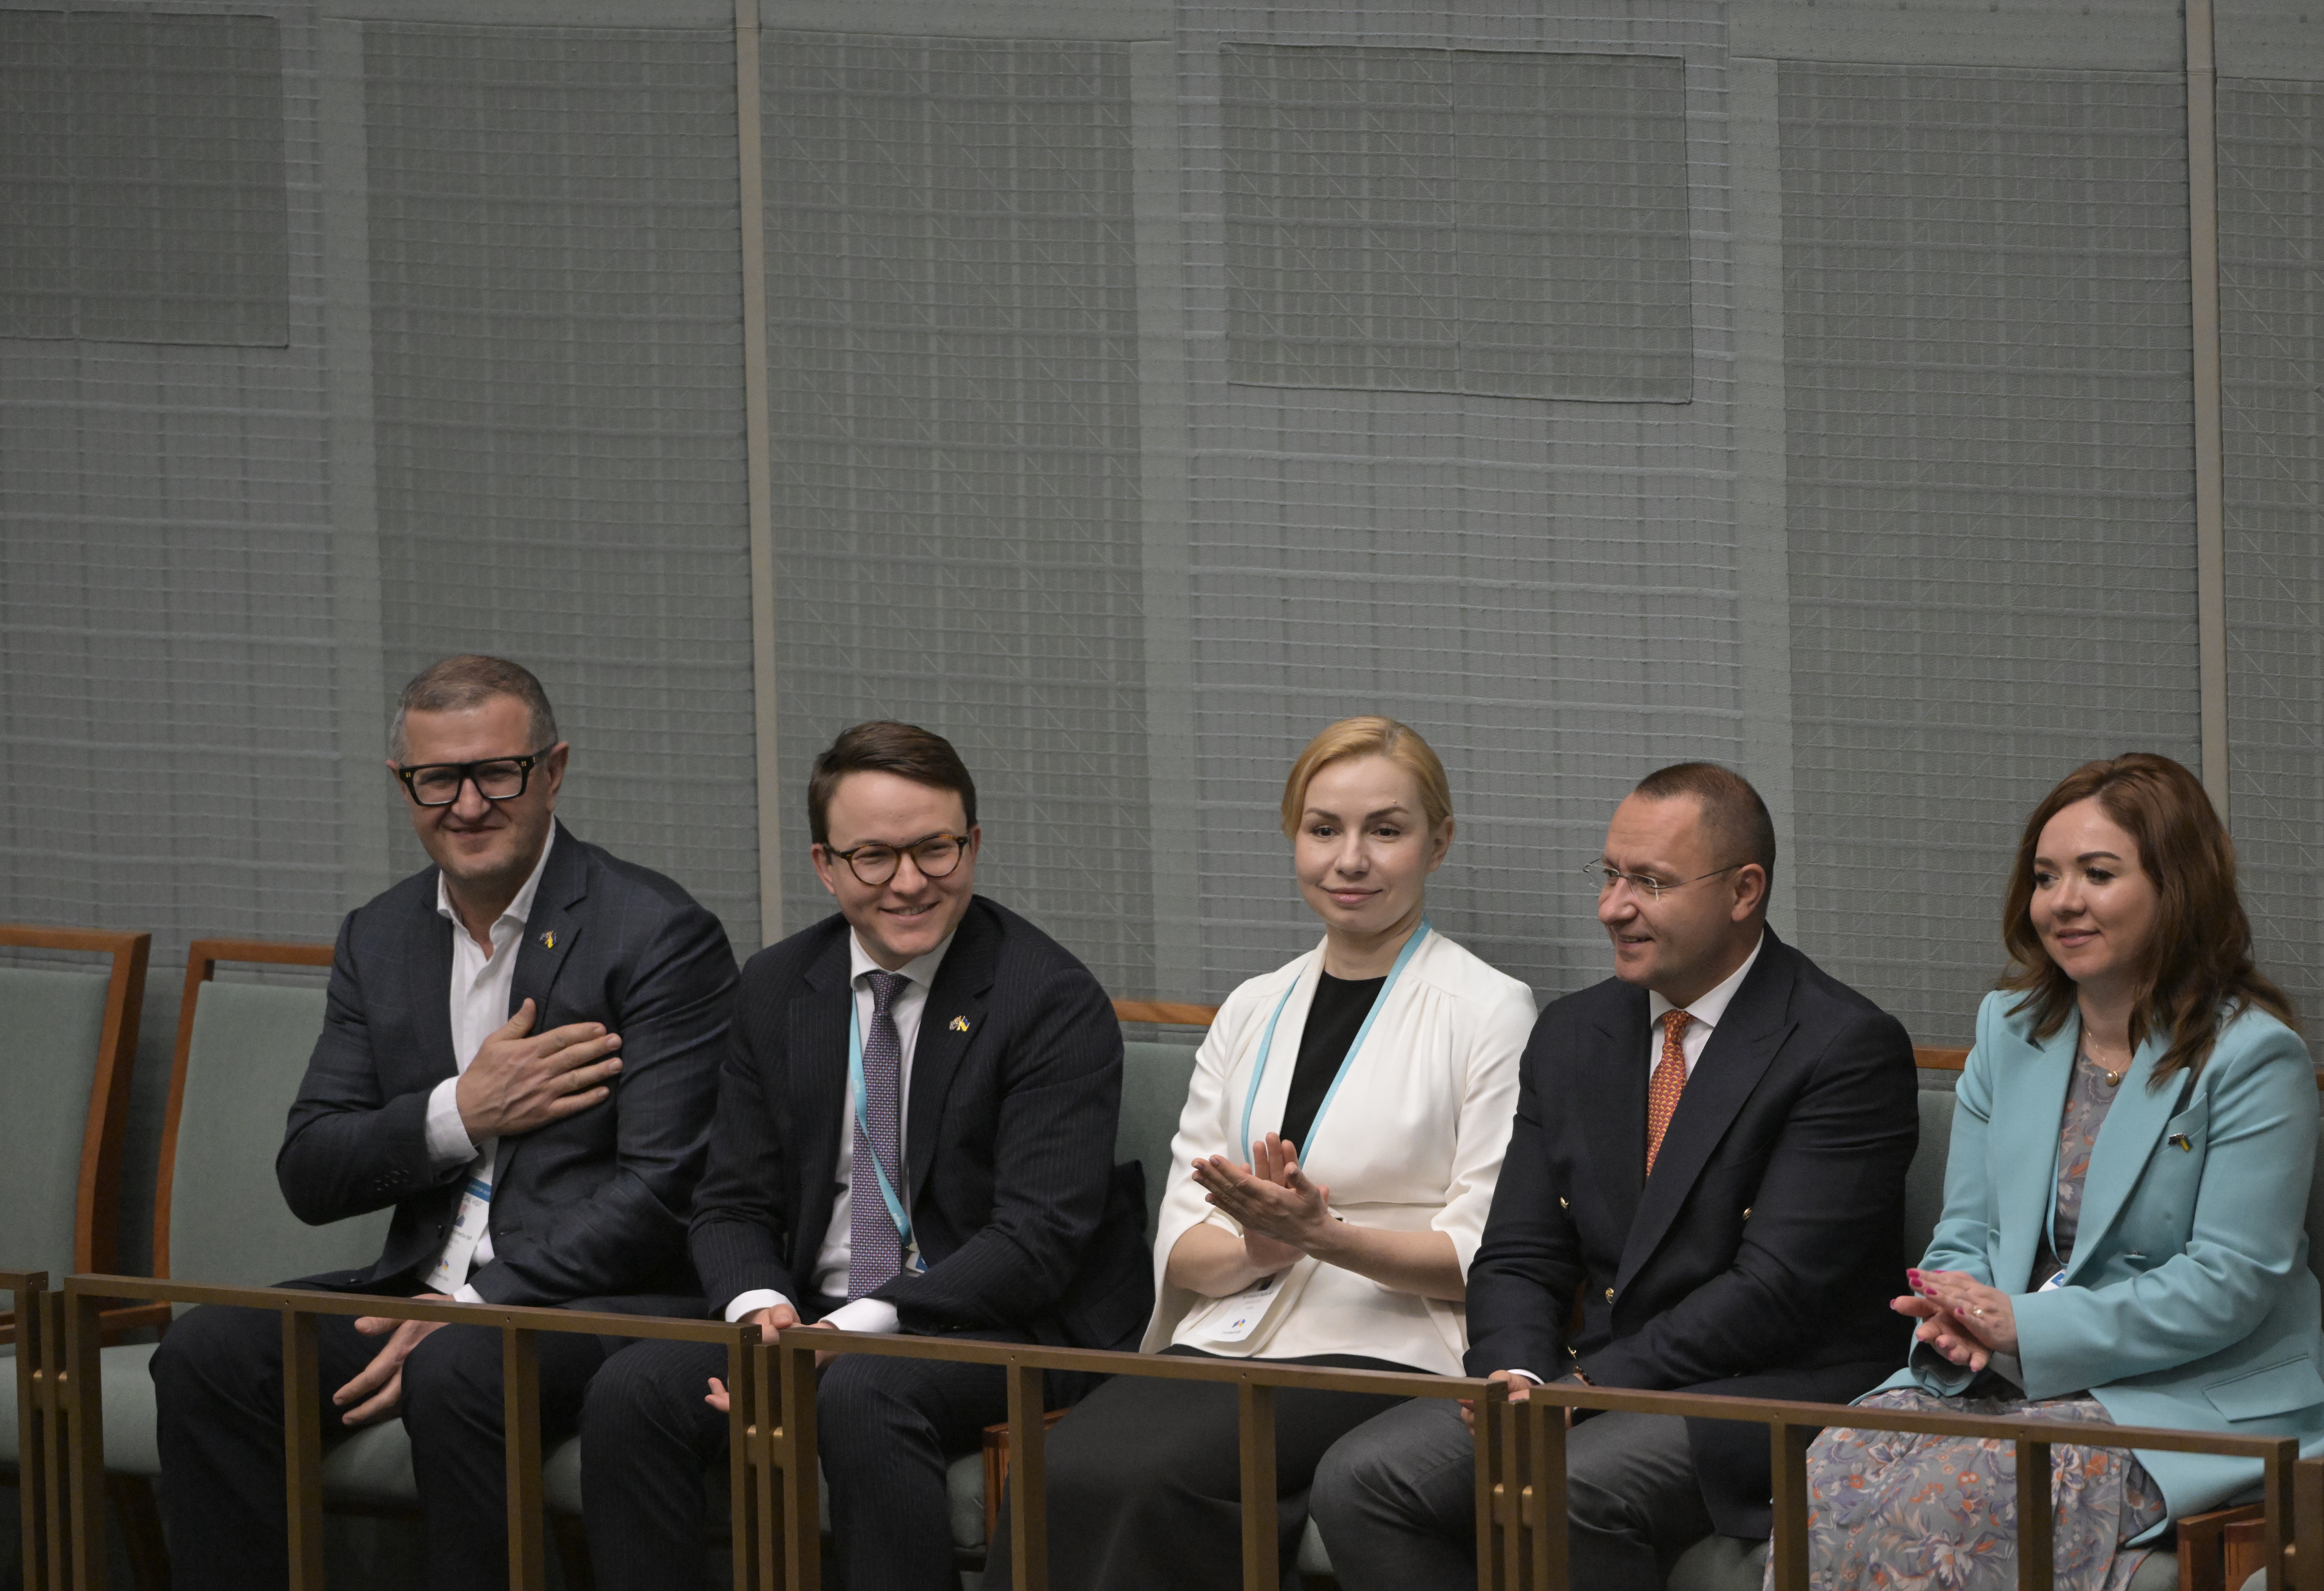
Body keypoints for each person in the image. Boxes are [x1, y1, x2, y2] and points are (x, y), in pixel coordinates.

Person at [149, 655, 740, 1591]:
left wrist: (476, 1303)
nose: (468, 805)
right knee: (207, 1356)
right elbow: (312, 1169)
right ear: (404, 787)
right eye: (439, 779)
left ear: (553, 771)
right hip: (422, 1286)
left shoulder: (656, 932)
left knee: (461, 1367)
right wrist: (455, 1114)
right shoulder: (378, 936)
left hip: (605, 1304)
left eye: (497, 772)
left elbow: (666, 1189)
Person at [1314, 761, 1920, 1590]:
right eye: (1609, 875)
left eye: (1650, 883)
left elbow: (1776, 1290)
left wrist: (1591, 1388)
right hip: (1584, 1377)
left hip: (1766, 1391)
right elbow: (1520, 1251)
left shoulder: (1841, 1046)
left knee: (1572, 1485)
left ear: (1745, 892)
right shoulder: (1572, 1034)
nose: (1613, 907)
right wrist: (1517, 1375)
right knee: (1364, 1480)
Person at [578, 720, 1153, 1591]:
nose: (911, 882)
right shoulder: (778, 987)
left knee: (864, 1391)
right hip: (811, 1315)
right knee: (634, 1390)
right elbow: (731, 1201)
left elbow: (1037, 1241)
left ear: (976, 844)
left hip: (1000, 1327)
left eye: (936, 850)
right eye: (875, 858)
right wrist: (765, 1315)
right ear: (827, 865)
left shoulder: (1050, 1000)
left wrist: (848, 1332)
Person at [984, 716, 1538, 1589]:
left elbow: (1489, 1257)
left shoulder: (1492, 1011)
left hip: (1389, 1348)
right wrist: (1261, 1248)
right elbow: (1182, 1243)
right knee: (1061, 1470)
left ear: (1439, 844)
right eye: (1324, 830)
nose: (1349, 860)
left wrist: (1326, 1237)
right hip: (1229, 1336)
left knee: (1155, 1480)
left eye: (1384, 831)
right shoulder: (1251, 1008)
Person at [1788, 753, 2324, 1591]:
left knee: (1963, 1490)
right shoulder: (2008, 1029)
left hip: (2188, 1393)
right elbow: (1969, 1230)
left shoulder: (2254, 1056)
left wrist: (2025, 1330)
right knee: (1835, 1464)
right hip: (2006, 1379)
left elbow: (2232, 1282)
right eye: (2046, 877)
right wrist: (1957, 1315)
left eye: (2098, 874)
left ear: (2178, 886)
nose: (2063, 901)